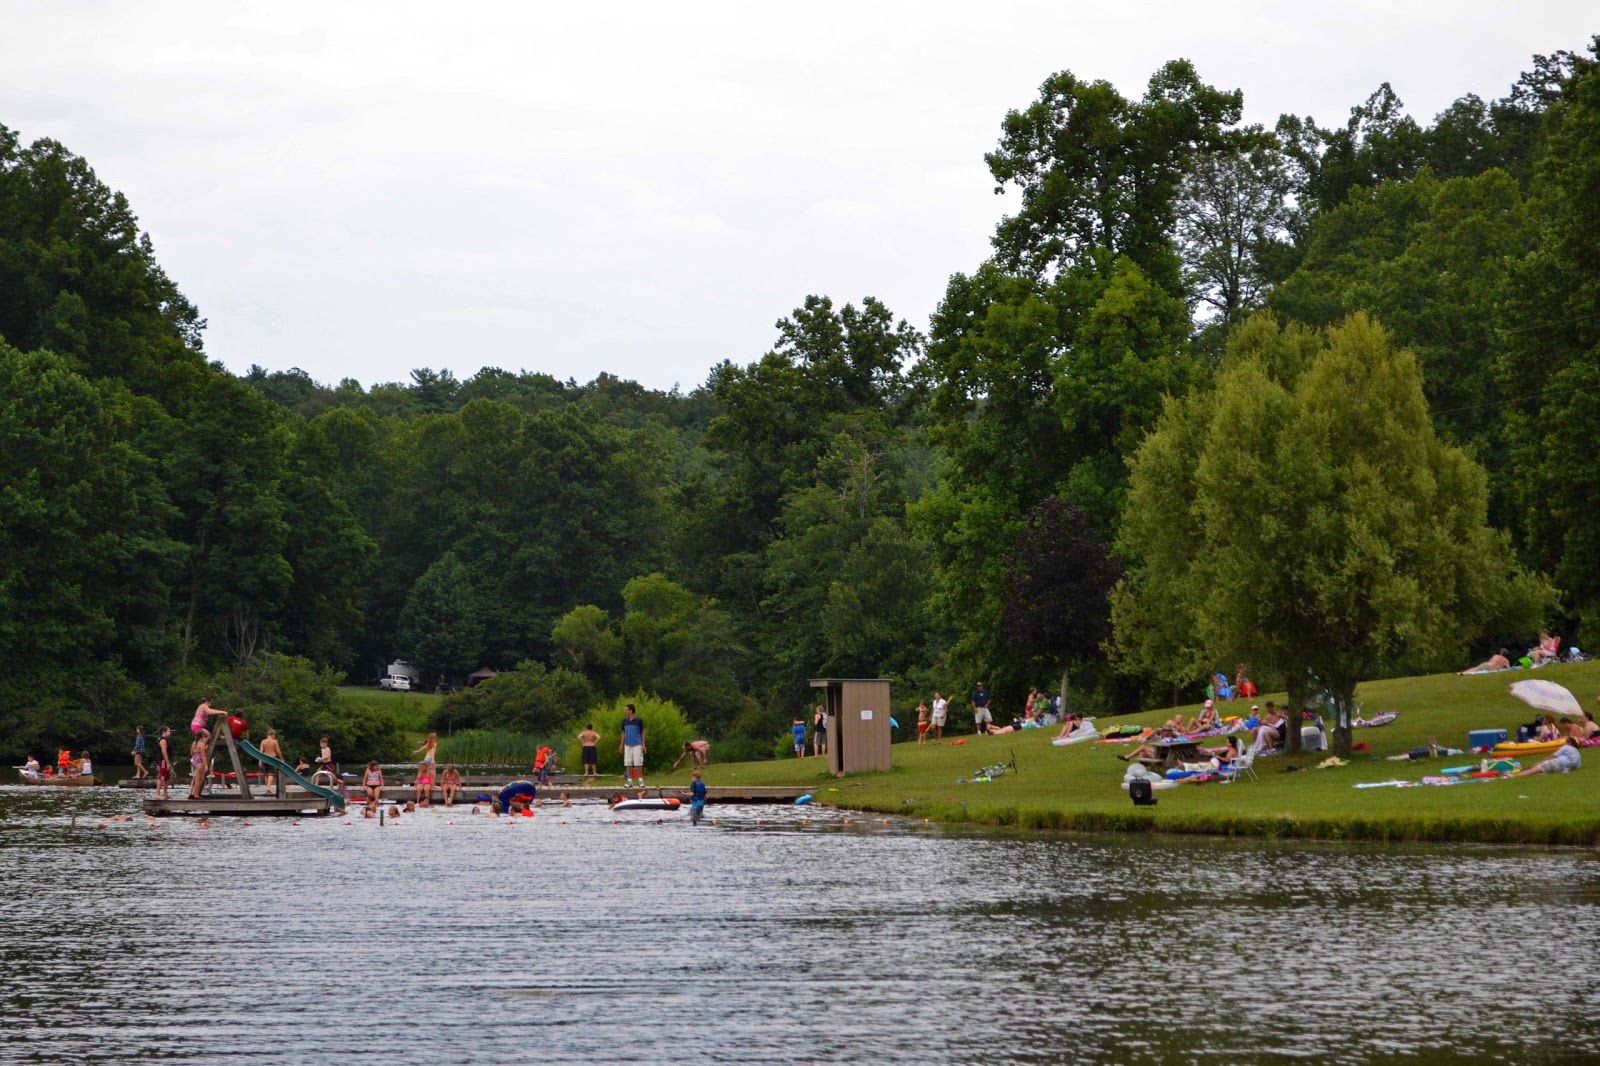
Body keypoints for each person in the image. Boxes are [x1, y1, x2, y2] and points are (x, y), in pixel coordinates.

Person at [1511, 737, 1582, 777]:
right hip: (1561, 769)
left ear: (1569, 743)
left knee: (1532, 770)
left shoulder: (1566, 747)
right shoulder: (1577, 753)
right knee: (1535, 772)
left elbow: (1553, 755)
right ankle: (1523, 773)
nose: (1564, 743)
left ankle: (1513, 776)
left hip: (1556, 763)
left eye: (1566, 742)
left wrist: (1540, 762)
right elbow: (1577, 766)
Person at [620, 704, 646, 789]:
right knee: (628, 763)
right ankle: (630, 782)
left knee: (638, 763)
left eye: (626, 710)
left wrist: (643, 744)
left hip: (637, 744)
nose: (625, 711)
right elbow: (623, 733)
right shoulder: (625, 721)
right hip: (628, 744)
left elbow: (642, 732)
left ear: (631, 710)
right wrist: (621, 744)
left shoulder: (639, 720)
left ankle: (641, 781)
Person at [258, 728, 284, 792]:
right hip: (272, 758)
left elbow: (260, 752)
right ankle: (268, 788)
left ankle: (267, 787)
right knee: (271, 774)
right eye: (274, 735)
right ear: (272, 734)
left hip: (265, 758)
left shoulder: (263, 741)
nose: (274, 736)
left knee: (266, 774)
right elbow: (278, 751)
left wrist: (260, 760)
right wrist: (281, 759)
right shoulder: (275, 741)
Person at [187, 733, 209, 799]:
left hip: (194, 760)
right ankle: (196, 794)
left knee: (201, 778)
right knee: (198, 779)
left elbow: (191, 752)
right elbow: (203, 756)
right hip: (199, 762)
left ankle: (193, 792)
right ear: (202, 736)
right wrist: (206, 765)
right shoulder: (202, 744)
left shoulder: (194, 743)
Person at [155, 727, 173, 800]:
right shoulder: (163, 740)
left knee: (166, 777)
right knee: (162, 776)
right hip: (163, 760)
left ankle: (165, 793)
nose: (170, 732)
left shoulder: (166, 740)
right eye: (169, 731)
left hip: (166, 760)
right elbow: (164, 752)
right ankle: (157, 794)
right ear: (164, 732)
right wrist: (168, 763)